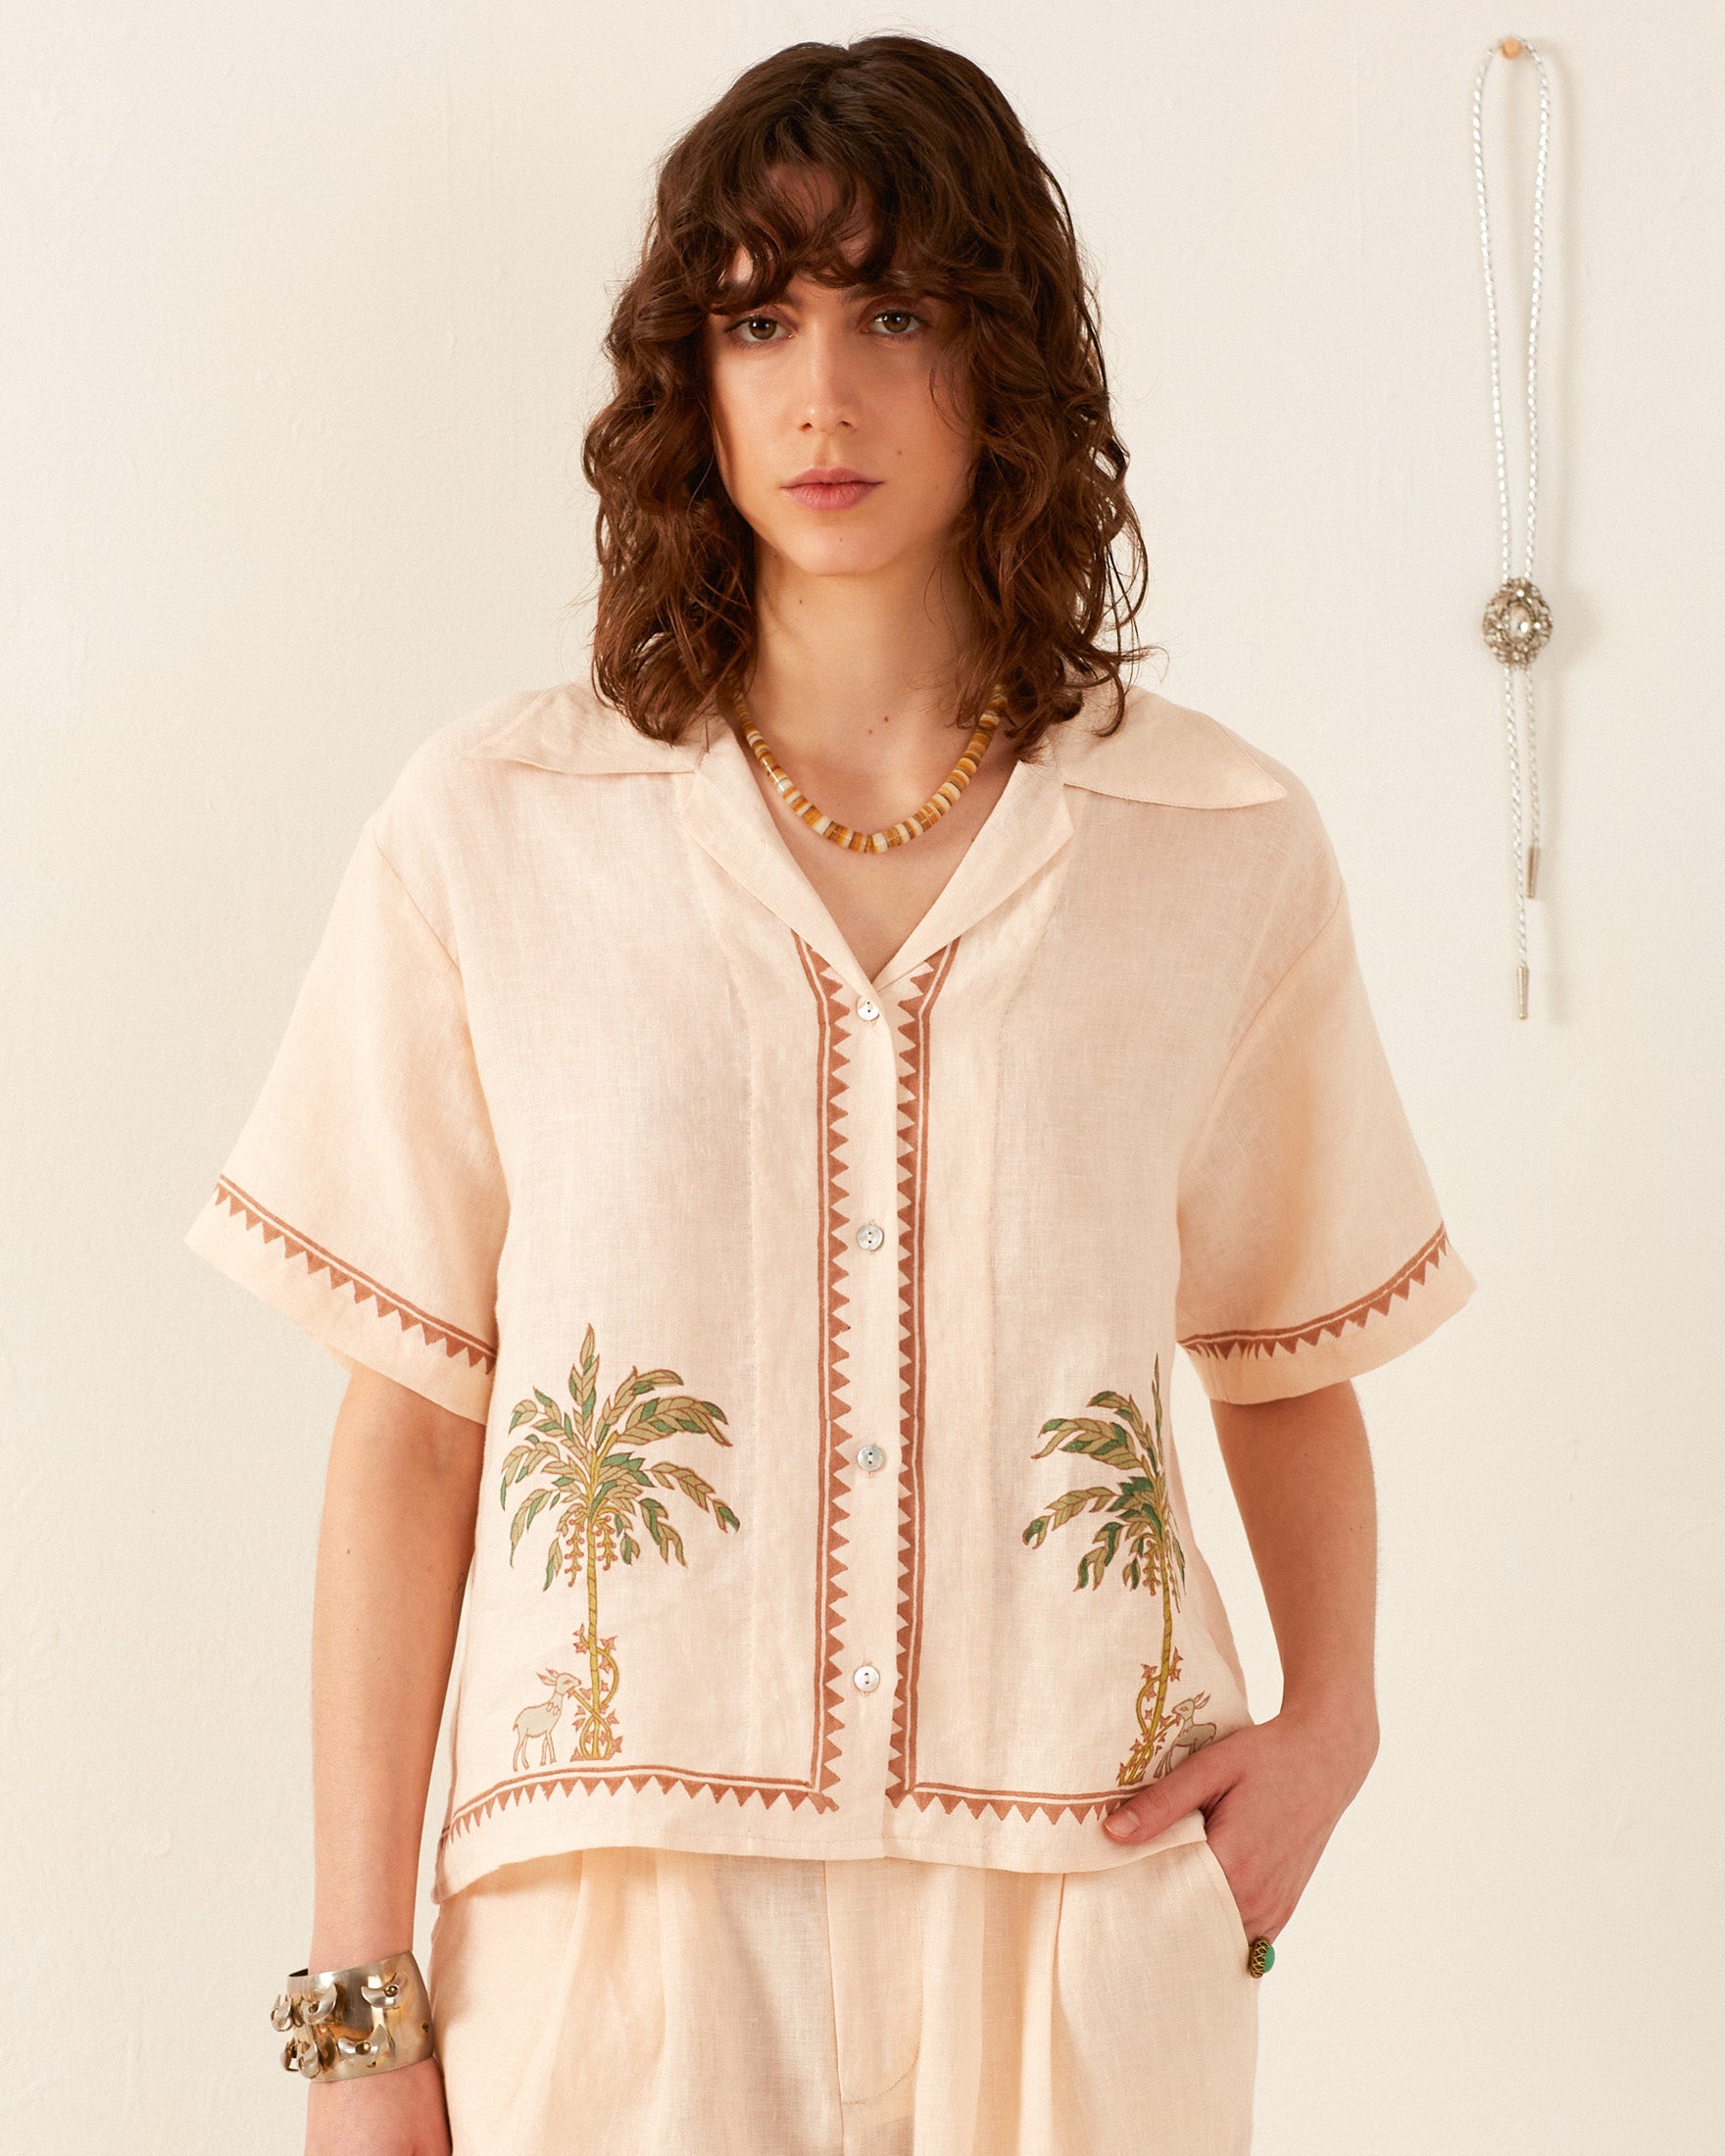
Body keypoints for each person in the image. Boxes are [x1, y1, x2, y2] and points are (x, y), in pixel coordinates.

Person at [185, 33, 1475, 2156]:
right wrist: (356, 2005)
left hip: (1079, 1887)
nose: (824, 389)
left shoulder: (1214, 838)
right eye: (761, 316)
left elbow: (1290, 1337)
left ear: (1009, 366)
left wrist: (1331, 1721)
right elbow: (410, 1420)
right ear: (686, 373)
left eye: (898, 313)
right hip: (617, 1920)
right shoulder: (494, 827)